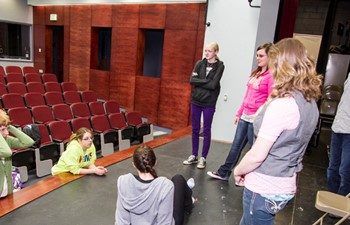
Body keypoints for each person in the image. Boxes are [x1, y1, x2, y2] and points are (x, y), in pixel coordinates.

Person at [233, 38, 322, 225]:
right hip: (284, 182)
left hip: (264, 186)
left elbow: (257, 155)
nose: (272, 71)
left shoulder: (283, 105)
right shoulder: (309, 101)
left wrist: (238, 170)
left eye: (274, 65)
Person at [207, 42, 274, 180]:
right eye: (257, 55)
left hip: (256, 119)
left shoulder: (271, 76)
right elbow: (247, 95)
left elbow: (270, 99)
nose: (258, 58)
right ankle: (224, 173)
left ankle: (251, 177)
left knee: (254, 151)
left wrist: (260, 116)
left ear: (270, 57)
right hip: (245, 116)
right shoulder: (256, 74)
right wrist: (239, 113)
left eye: (261, 55)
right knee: (235, 147)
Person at [115, 145, 195, 225]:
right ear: (155, 162)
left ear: (134, 165)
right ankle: (189, 201)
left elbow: (121, 221)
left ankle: (187, 194)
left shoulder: (124, 181)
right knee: (178, 179)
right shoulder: (165, 185)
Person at [183, 42, 225, 169]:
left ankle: (203, 158)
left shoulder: (220, 66)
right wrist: (207, 81)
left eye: (210, 51)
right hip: (196, 100)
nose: (207, 53)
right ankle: (194, 155)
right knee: (195, 128)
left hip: (209, 101)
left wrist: (200, 82)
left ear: (216, 52)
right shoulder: (199, 64)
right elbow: (192, 80)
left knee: (206, 129)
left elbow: (213, 85)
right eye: (205, 50)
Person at [0, 110, 34, 198]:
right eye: (3, 130)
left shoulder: (6, 139)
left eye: (7, 129)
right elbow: (7, 153)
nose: (7, 133)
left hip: (8, 190)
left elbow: (28, 142)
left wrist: (8, 126)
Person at [327, 76, 350, 197]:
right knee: (333, 168)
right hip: (338, 127)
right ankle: (332, 198)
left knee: (345, 171)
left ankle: (341, 205)